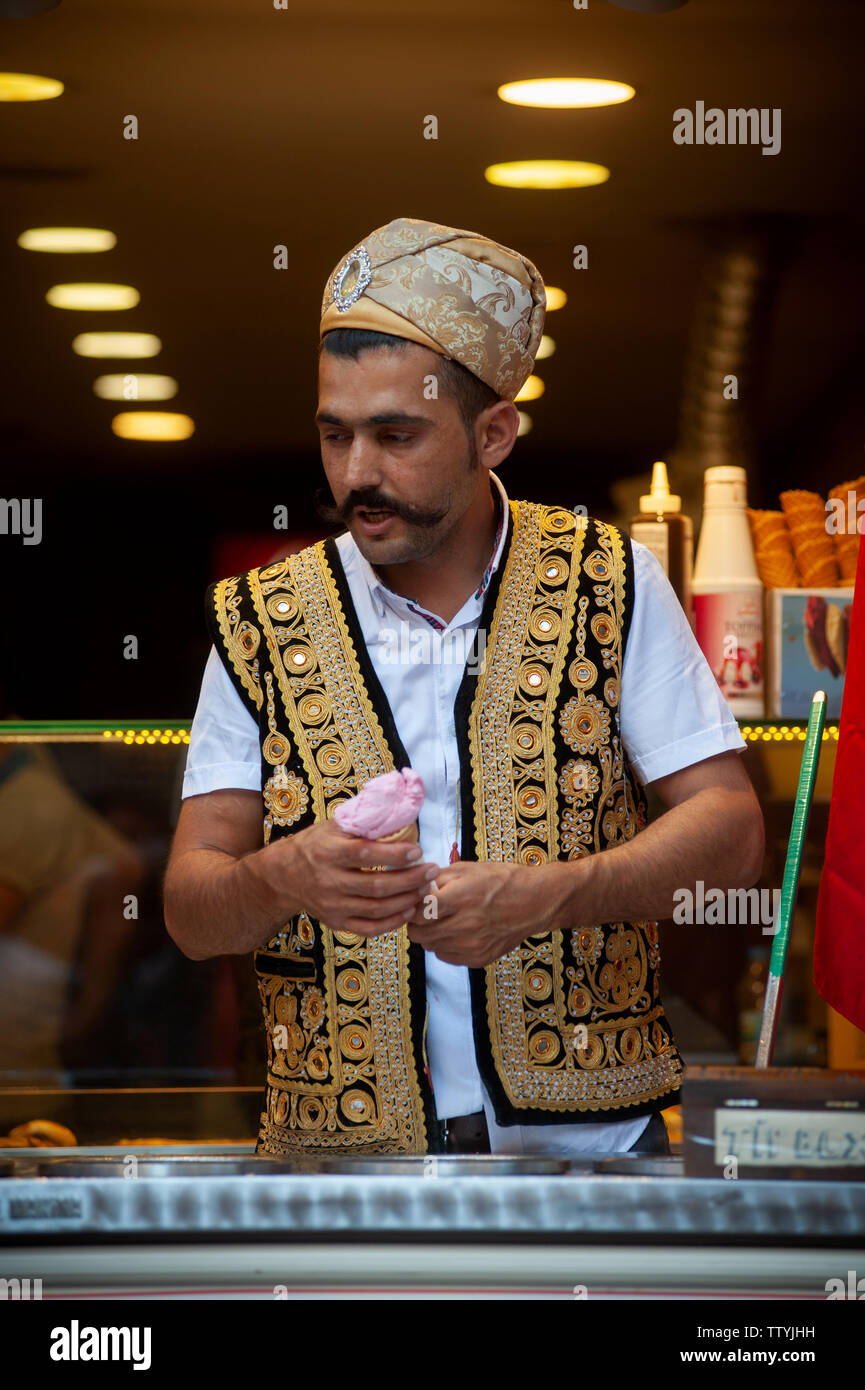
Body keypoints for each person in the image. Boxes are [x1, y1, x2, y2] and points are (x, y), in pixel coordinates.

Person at [164, 216, 764, 1158]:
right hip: (344, 1169)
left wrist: (555, 895)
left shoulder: (606, 578)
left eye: (396, 435)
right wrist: (285, 874)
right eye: (335, 435)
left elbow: (729, 834)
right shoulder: (261, 617)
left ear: (493, 433)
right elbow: (192, 912)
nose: (357, 473)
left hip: (593, 1153)